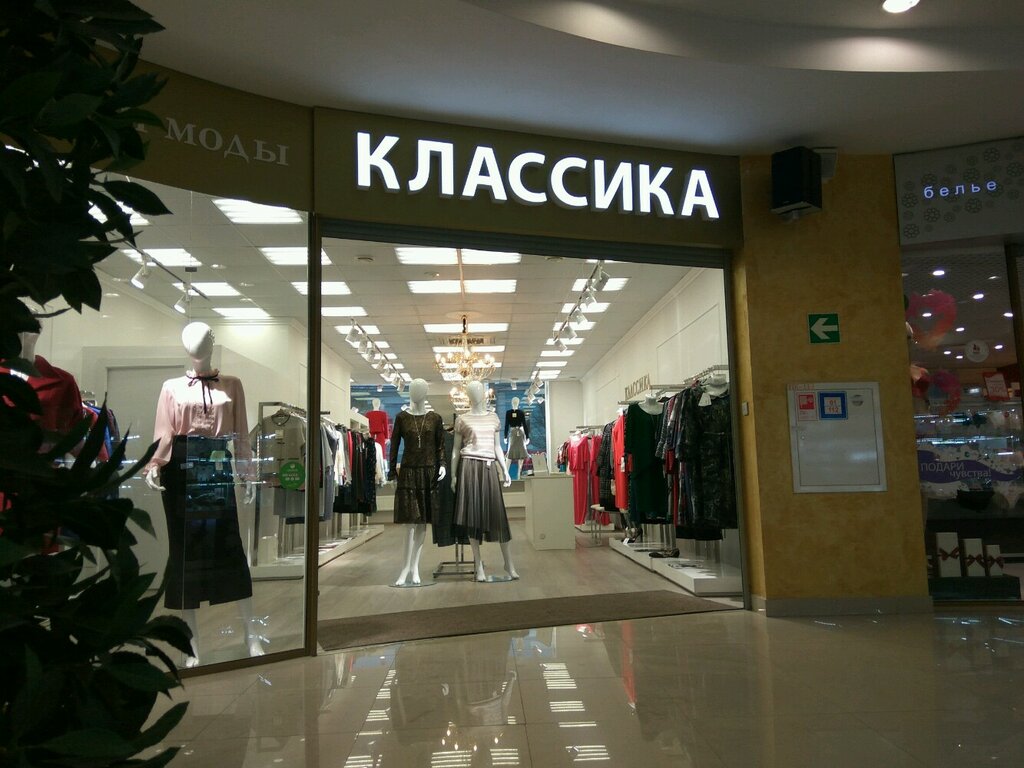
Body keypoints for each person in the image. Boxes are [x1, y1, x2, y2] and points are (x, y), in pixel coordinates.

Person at [143, 321, 262, 666]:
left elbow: (240, 432)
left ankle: (251, 633)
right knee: (184, 550)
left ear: (212, 341)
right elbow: (164, 432)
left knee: (229, 544)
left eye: (202, 338)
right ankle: (191, 644)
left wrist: (246, 473)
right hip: (180, 468)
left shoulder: (232, 384)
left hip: (216, 462)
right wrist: (155, 464)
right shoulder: (171, 387)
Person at [451, 380, 518, 581]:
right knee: (472, 516)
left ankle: (509, 563)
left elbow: (497, 447)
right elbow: (455, 449)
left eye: (478, 390)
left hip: (489, 467)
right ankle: (478, 564)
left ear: (484, 394)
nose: (475, 394)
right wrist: (453, 475)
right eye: (471, 391)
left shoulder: (493, 417)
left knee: (498, 513)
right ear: (468, 395)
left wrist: (505, 469)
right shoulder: (462, 419)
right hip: (469, 467)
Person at [388, 378, 446, 586]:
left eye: (419, 388)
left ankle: (415, 567)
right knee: (410, 523)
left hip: (429, 472)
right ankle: (405, 568)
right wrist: (392, 472)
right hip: (409, 472)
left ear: (425, 392)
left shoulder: (435, 418)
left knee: (422, 524)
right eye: (412, 388)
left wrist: (442, 465)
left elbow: (440, 446)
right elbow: (394, 446)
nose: (415, 392)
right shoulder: (402, 418)